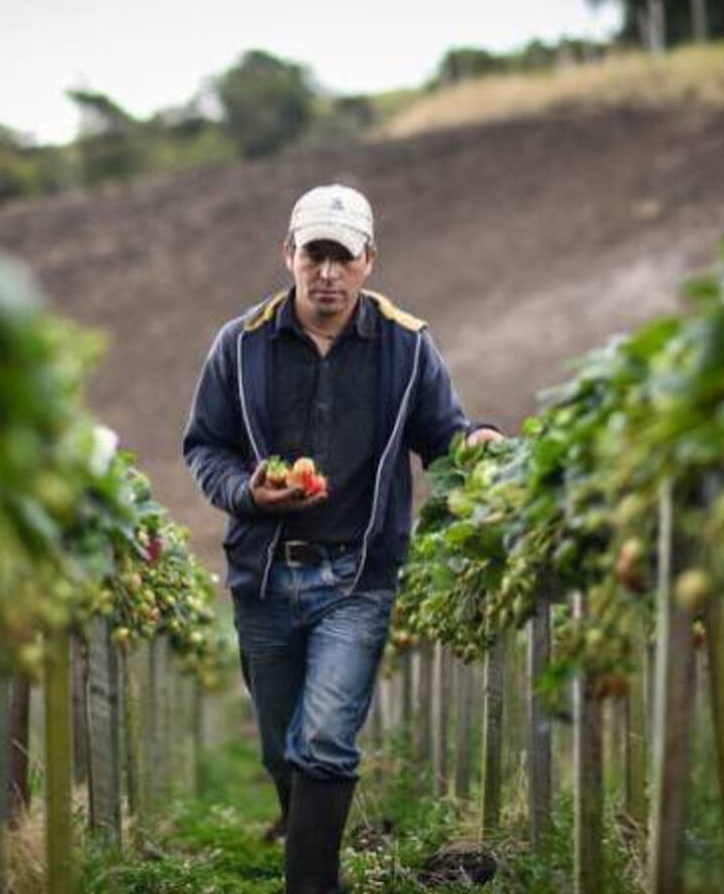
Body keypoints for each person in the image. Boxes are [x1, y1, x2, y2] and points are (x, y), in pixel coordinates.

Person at [182, 183, 500, 893]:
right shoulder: (240, 346)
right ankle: (311, 845)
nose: (327, 272)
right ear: (288, 254)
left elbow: (443, 438)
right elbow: (205, 446)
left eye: (342, 257)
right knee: (281, 750)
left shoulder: (409, 347)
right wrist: (246, 492)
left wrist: (478, 443)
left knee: (324, 740)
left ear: (368, 262)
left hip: (356, 578)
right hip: (264, 576)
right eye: (314, 254)